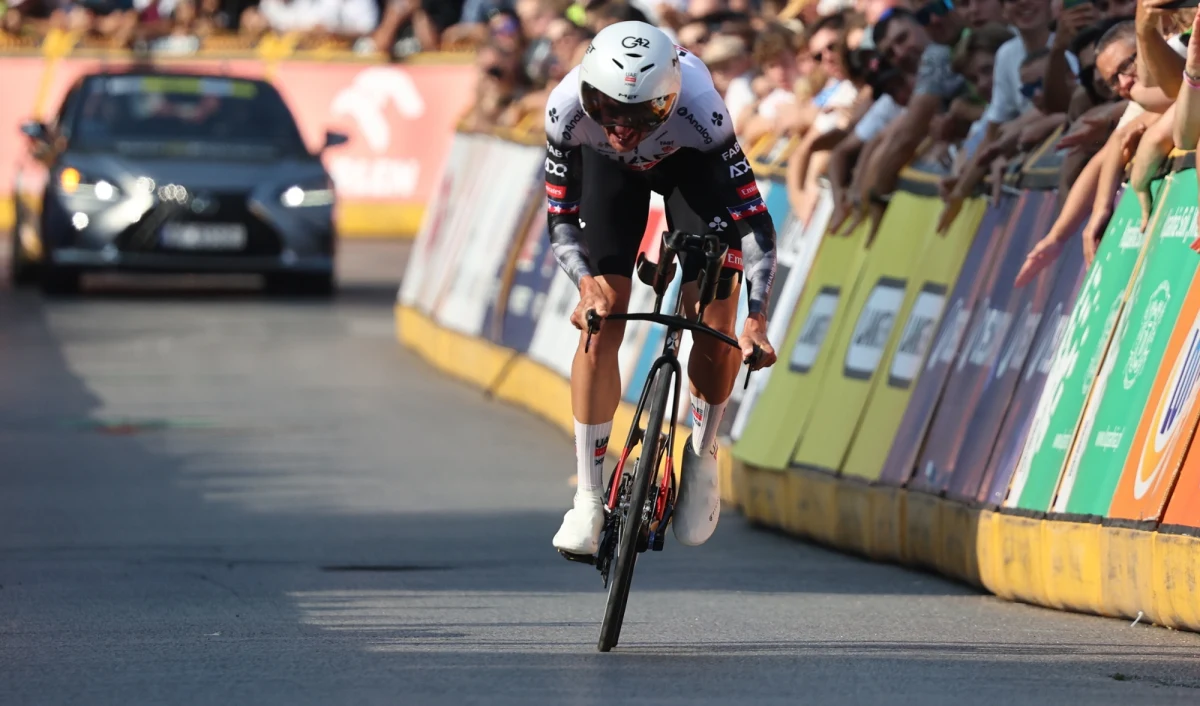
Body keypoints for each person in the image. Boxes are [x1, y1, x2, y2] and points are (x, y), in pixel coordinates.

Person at [544, 20, 779, 557]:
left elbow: (757, 226)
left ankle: (701, 451)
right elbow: (561, 219)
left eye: (642, 113)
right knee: (602, 319)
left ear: (670, 99)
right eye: (606, 108)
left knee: (713, 321)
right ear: (587, 92)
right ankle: (587, 495)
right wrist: (585, 286)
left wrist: (756, 318)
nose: (622, 127)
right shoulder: (567, 110)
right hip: (608, 176)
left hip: (689, 170)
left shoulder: (702, 110)